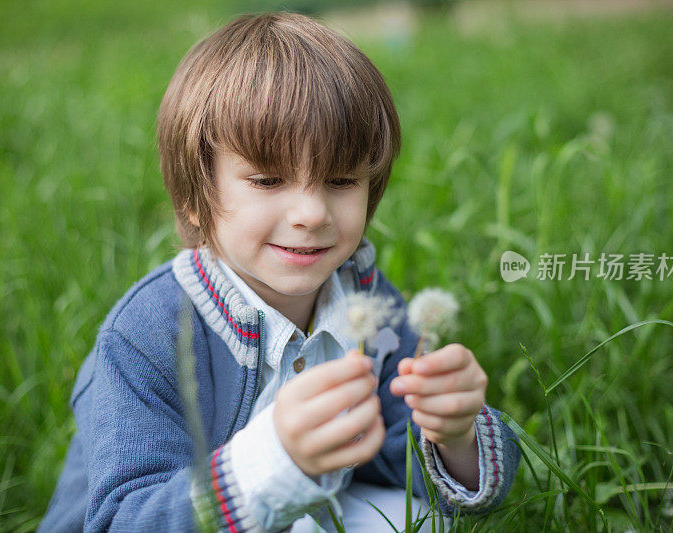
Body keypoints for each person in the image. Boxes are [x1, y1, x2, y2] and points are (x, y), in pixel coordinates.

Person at [39, 11, 520, 532]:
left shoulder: (366, 303)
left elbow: (395, 456)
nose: (311, 214)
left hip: (314, 513)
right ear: (197, 198)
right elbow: (124, 521)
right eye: (268, 180)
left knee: (424, 521)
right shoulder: (147, 336)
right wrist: (273, 461)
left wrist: (454, 435)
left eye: (340, 180)